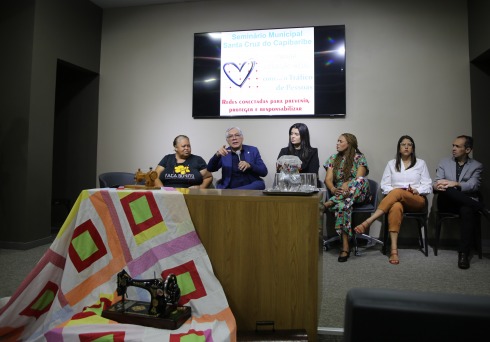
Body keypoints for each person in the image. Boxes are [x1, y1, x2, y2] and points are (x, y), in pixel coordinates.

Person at [353, 135, 432, 265]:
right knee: (395, 206)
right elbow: (385, 185)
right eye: (403, 144)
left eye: (409, 144)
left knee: (397, 192)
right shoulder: (391, 164)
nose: (406, 146)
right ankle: (394, 251)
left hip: (416, 200)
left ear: (413, 148)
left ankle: (369, 221)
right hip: (396, 200)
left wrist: (417, 190)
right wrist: (397, 192)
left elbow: (428, 185)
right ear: (399, 148)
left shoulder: (421, 163)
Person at [433, 135, 489, 269]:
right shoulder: (444, 162)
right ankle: (482, 208)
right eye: (453, 145)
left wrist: (456, 184)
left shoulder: (477, 166)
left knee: (467, 209)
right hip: (447, 202)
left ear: (468, 149)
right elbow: (437, 182)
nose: (453, 148)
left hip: (465, 204)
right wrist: (438, 186)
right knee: (447, 189)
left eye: (457, 146)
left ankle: (463, 254)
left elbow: (474, 185)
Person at [323, 133, 370, 262]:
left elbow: (359, 177)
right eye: (337, 141)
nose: (337, 143)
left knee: (361, 181)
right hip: (342, 195)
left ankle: (330, 202)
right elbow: (328, 179)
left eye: (340, 141)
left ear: (349, 144)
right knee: (344, 205)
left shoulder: (359, 158)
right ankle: (345, 247)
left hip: (358, 192)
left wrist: (347, 184)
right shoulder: (332, 159)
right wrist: (333, 189)